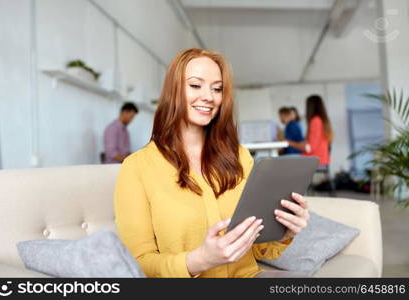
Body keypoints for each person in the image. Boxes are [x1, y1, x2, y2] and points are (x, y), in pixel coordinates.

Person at [114, 48, 309, 278]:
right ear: (173, 90)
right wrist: (199, 260)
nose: (209, 96)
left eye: (217, 88)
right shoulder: (137, 168)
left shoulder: (240, 156)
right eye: (195, 85)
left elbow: (259, 247)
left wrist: (284, 231)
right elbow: (138, 264)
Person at [287, 95, 333, 166]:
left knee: (282, 161)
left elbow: (310, 148)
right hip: (321, 157)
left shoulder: (315, 121)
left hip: (315, 159)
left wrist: (289, 143)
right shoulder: (322, 120)